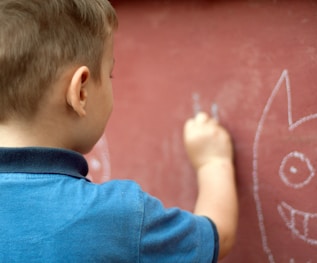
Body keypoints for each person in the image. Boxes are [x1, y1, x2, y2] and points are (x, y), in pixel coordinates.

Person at [0, 0, 238, 262]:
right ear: (80, 91)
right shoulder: (118, 217)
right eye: (110, 74)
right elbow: (218, 237)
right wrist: (213, 163)